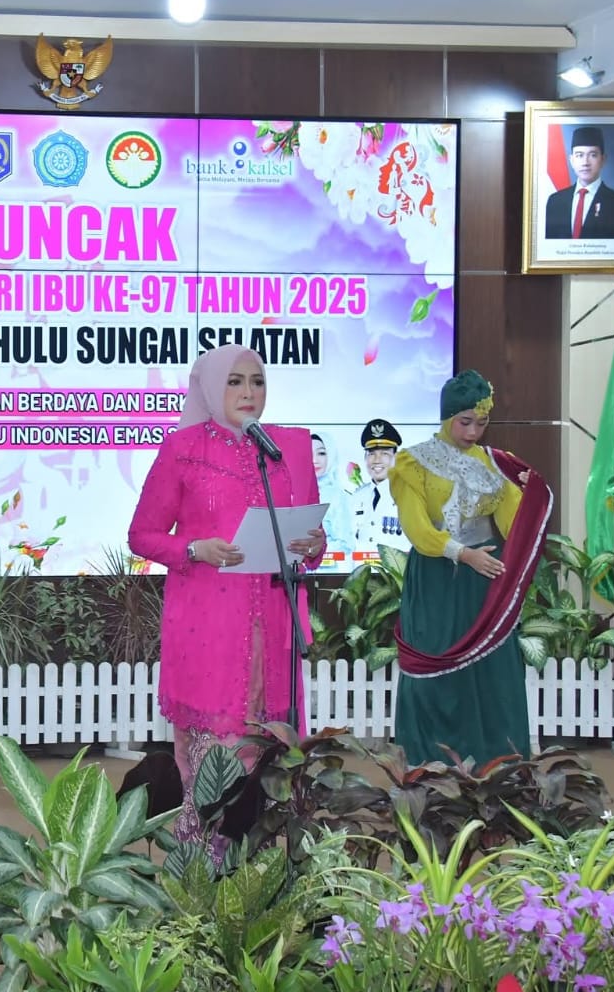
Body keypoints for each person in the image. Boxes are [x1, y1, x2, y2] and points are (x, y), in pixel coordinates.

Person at [127, 346, 324, 842]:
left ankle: (262, 855)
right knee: (216, 749)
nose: (248, 392)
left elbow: (309, 540)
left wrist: (314, 544)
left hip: (272, 622)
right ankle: (205, 853)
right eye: (235, 382)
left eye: (257, 382)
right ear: (213, 388)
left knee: (269, 742)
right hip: (208, 625)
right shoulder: (184, 449)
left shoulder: (287, 448)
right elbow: (142, 535)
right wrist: (196, 548)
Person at [389, 371, 544, 767]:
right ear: (447, 417)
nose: (473, 432)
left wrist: (528, 493)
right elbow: (417, 528)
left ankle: (495, 758)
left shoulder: (493, 463)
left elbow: (512, 522)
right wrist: (462, 554)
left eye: (482, 423)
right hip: (437, 578)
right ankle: (429, 760)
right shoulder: (412, 462)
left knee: (491, 667)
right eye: (465, 422)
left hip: (485, 578)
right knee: (435, 661)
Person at [543, 125, 614, 240]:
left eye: (593, 155)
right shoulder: (555, 201)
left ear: (603, 159)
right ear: (572, 160)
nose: (585, 162)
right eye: (579, 155)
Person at [350, 418, 408, 555]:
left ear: (396, 457)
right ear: (365, 458)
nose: (377, 460)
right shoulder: (357, 496)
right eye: (372, 453)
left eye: (384, 453)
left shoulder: (410, 495)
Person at [309, 432, 354, 569]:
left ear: (331, 455)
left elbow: (346, 543)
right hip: (297, 573)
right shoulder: (295, 492)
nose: (315, 460)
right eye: (309, 453)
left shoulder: (337, 495)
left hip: (328, 572)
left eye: (321, 453)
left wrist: (315, 548)